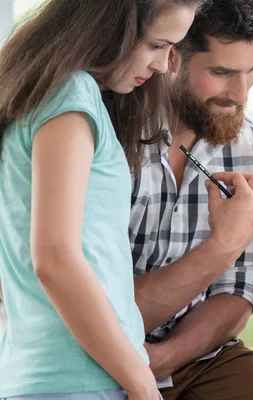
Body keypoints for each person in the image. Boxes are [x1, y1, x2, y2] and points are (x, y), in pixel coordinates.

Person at [0, 0, 199, 399]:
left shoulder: (45, 91)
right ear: (110, 26)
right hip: (81, 379)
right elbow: (55, 259)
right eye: (157, 45)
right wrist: (143, 385)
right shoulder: (70, 95)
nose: (163, 65)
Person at [128, 1, 253, 399]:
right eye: (222, 72)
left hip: (199, 357)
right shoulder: (114, 140)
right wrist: (222, 244)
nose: (240, 93)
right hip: (99, 352)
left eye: (252, 71)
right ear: (171, 57)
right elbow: (101, 309)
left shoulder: (250, 143)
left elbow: (237, 292)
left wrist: (164, 358)